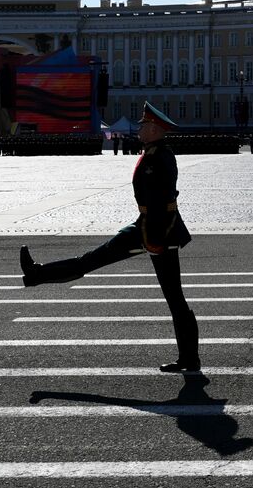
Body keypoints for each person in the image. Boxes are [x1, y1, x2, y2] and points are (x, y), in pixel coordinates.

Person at [18, 101, 200, 372]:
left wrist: (155, 239)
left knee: (174, 297)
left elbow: (164, 201)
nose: (139, 130)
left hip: (158, 232)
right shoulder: (154, 153)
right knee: (93, 260)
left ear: (153, 129)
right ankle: (36, 274)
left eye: (143, 126)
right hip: (146, 226)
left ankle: (190, 358)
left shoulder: (160, 157)